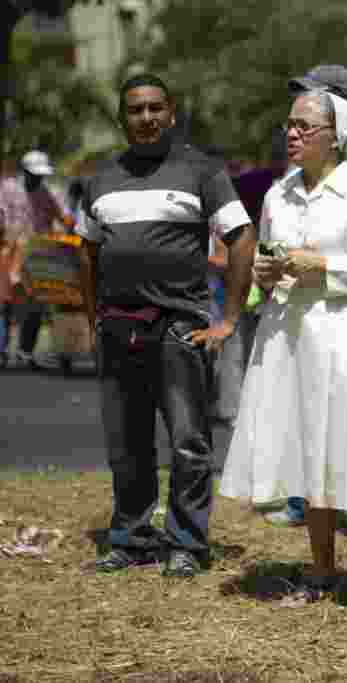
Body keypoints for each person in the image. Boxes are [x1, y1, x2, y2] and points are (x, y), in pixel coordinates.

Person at [218, 86, 347, 601]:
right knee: (307, 454)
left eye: (305, 126)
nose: (293, 134)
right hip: (291, 334)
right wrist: (266, 271)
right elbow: (271, 263)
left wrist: (322, 265)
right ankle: (321, 570)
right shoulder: (279, 194)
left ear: (336, 138)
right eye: (290, 126)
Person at [77, 74, 256, 578]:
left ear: (171, 113)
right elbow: (87, 250)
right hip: (118, 329)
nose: (147, 117)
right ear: (123, 118)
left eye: (156, 108)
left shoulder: (202, 172)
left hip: (181, 328)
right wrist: (94, 317)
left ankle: (187, 544)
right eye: (136, 110)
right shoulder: (100, 178)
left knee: (188, 442)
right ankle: (132, 539)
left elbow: (242, 238)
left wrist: (228, 320)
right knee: (126, 443)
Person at [0, 150, 72, 368]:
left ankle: (25, 352)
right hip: (9, 252)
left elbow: (63, 218)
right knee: (5, 304)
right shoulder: (7, 189)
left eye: (41, 175)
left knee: (35, 306)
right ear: (24, 171)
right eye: (34, 174)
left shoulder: (48, 192)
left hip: (38, 256)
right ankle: (2, 351)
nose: (38, 178)